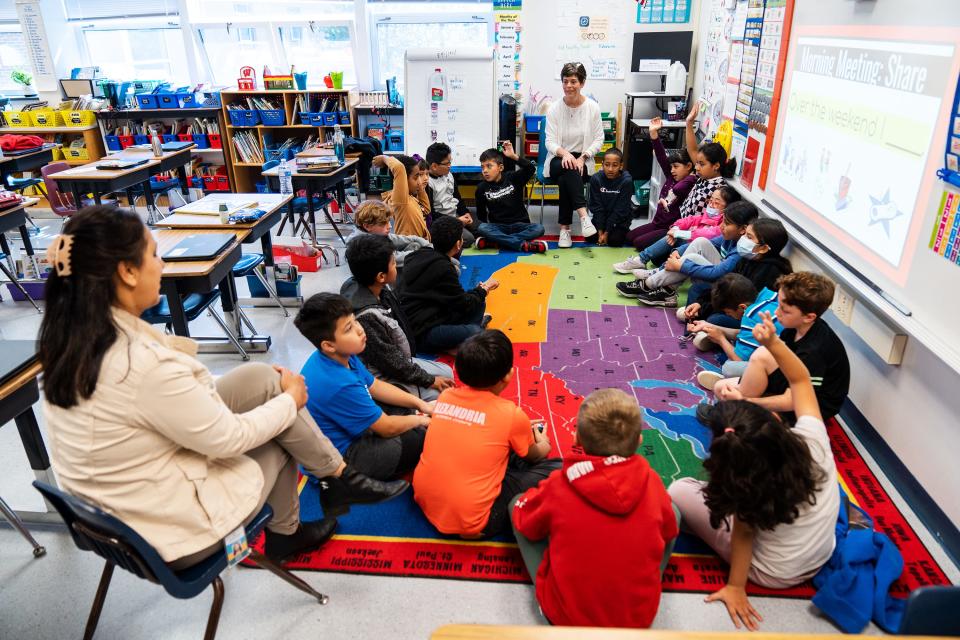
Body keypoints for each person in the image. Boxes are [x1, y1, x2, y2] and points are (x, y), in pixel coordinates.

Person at [38, 206, 407, 568]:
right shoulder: (140, 364)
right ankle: (301, 517)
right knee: (284, 432)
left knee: (262, 379)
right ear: (127, 272)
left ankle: (337, 476)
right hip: (172, 534)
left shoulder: (74, 335)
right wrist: (291, 400)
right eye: (154, 254)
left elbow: (161, 398)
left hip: (115, 511)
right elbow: (229, 438)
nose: (162, 265)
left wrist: (277, 394)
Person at [669, 313, 841, 631]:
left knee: (678, 490)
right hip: (821, 552)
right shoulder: (815, 439)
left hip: (772, 572)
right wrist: (773, 344)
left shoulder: (748, 482)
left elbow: (744, 536)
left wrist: (736, 587)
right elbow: (801, 380)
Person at [510, 388, 679, 628]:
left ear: (577, 438)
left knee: (516, 505)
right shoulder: (652, 481)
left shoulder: (559, 484)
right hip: (637, 621)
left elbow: (525, 521)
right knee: (674, 512)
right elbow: (669, 531)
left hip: (565, 619)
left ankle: (552, 595)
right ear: (640, 440)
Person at [413, 330, 560, 538]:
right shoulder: (510, 414)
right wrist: (541, 438)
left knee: (497, 448)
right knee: (557, 468)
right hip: (475, 521)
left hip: (425, 498)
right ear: (508, 374)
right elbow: (537, 454)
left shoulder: (445, 397)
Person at [296, 293, 434, 483]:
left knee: (400, 395)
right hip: (339, 461)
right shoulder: (338, 382)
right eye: (349, 328)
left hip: (348, 433)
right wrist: (419, 421)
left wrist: (421, 405)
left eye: (355, 321)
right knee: (419, 439)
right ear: (328, 345)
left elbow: (375, 386)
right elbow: (387, 428)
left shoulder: (341, 354)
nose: (360, 330)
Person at [709, 272, 851, 422]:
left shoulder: (813, 352)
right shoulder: (794, 327)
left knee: (751, 421)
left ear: (809, 317)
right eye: (779, 304)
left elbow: (794, 401)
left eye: (784, 309)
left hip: (811, 405)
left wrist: (745, 401)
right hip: (789, 381)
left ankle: (738, 412)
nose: (777, 312)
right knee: (721, 388)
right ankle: (736, 410)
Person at [341, 233, 455, 401]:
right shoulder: (367, 318)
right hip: (381, 374)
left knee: (447, 372)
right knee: (442, 394)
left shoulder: (376, 288)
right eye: (394, 263)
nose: (396, 266)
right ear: (381, 276)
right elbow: (391, 363)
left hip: (400, 358)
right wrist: (429, 380)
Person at [616, 201, 758, 308]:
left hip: (725, 286)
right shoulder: (730, 238)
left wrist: (681, 266)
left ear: (743, 229)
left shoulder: (741, 251)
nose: (721, 226)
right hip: (716, 276)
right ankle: (667, 291)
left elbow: (717, 273)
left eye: (726, 223)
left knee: (692, 258)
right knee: (700, 242)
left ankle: (647, 284)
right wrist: (677, 252)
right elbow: (699, 243)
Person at [399, 216, 499, 353]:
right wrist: (484, 289)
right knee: (475, 329)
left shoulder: (418, 255)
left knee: (478, 301)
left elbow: (455, 299)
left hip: (431, 314)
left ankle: (461, 338)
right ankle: (463, 342)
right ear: (458, 244)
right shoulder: (444, 268)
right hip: (421, 332)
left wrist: (479, 292)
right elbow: (463, 304)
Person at [678, 217, 792, 330]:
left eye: (749, 237)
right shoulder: (747, 258)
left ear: (763, 248)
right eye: (745, 234)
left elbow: (739, 305)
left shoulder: (770, 271)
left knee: (715, 320)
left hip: (746, 317)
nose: (743, 239)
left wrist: (704, 309)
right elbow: (724, 285)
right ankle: (694, 321)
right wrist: (700, 304)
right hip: (730, 306)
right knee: (697, 289)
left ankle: (700, 325)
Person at [544, 62, 604, 248]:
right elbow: (550, 141)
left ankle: (564, 230)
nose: (569, 86)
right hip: (557, 159)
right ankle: (584, 217)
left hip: (582, 159)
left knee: (567, 178)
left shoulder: (592, 107)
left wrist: (583, 157)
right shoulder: (554, 108)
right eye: (565, 81)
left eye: (573, 81)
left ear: (582, 83)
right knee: (567, 168)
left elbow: (599, 139)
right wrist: (565, 154)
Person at [619, 186, 740, 277]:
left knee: (681, 239)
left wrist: (680, 234)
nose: (711, 205)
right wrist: (675, 228)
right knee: (671, 237)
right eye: (710, 201)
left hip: (701, 255)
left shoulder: (723, 224)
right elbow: (688, 220)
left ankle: (655, 271)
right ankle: (641, 260)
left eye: (717, 202)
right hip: (682, 245)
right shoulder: (706, 216)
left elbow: (709, 234)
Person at [621, 116, 696, 254]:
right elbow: (661, 156)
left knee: (638, 243)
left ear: (689, 166)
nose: (672, 170)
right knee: (629, 237)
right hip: (656, 223)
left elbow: (678, 189)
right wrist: (653, 133)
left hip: (667, 228)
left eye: (676, 166)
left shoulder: (690, 182)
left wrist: (693, 174)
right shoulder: (671, 176)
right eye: (671, 167)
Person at [474, 142, 547, 253]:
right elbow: (481, 215)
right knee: (482, 228)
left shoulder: (513, 178)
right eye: (482, 167)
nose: (485, 171)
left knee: (539, 229)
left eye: (489, 166)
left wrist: (513, 156)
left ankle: (497, 242)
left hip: (520, 225)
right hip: (498, 227)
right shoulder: (481, 188)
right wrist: (485, 231)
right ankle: (522, 245)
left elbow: (531, 168)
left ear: (500, 167)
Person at [345, 200, 431, 268]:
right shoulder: (365, 245)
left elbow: (403, 239)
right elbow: (395, 258)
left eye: (389, 222)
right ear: (367, 226)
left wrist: (429, 246)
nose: (389, 226)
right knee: (418, 253)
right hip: (378, 281)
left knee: (415, 244)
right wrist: (426, 253)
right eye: (383, 223)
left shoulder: (375, 233)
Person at [425, 141, 476, 246]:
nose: (450, 166)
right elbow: (431, 214)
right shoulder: (427, 183)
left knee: (479, 226)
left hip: (455, 215)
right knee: (468, 239)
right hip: (441, 222)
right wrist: (456, 221)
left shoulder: (449, 175)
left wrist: (465, 213)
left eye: (450, 161)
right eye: (447, 163)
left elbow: (457, 198)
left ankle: (480, 237)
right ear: (434, 166)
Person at [373, 154, 431, 239]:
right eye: (416, 178)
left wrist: (420, 186)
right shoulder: (400, 199)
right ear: (403, 179)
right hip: (410, 250)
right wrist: (383, 158)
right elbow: (399, 167)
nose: (419, 181)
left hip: (420, 247)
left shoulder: (411, 197)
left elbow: (426, 210)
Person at [586, 147, 633, 247]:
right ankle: (602, 231)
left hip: (620, 220)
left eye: (615, 165)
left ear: (621, 166)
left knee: (614, 241)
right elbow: (596, 206)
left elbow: (621, 210)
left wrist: (606, 232)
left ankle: (621, 231)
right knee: (589, 237)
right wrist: (600, 231)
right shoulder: (596, 179)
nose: (610, 169)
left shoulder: (626, 181)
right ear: (602, 164)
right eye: (607, 165)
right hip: (601, 218)